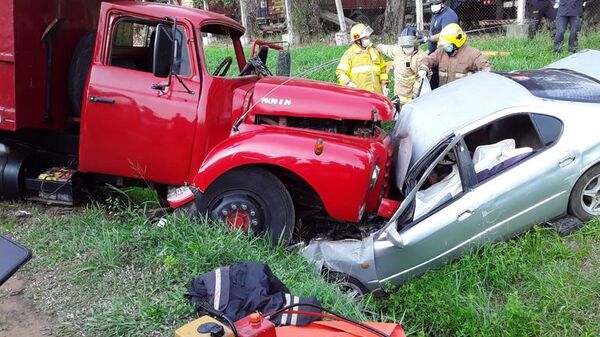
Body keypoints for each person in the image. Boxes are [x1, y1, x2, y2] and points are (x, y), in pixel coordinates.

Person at [418, 23, 492, 87]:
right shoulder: (441, 52)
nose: (445, 47)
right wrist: (423, 68)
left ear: (456, 42)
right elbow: (429, 59)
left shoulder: (472, 54)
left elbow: (486, 68)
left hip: (464, 95)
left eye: (447, 44)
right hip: (444, 94)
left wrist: (483, 75)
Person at [375, 28, 429, 105]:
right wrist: (378, 46)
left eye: (409, 46)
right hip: (397, 95)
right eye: (405, 46)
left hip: (411, 99)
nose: (407, 48)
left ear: (416, 43)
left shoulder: (420, 57)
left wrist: (415, 95)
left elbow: (421, 80)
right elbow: (388, 49)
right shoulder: (399, 51)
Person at [336, 24, 388, 94]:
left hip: (376, 94)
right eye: (365, 38)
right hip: (360, 95)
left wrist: (385, 85)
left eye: (368, 37)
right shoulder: (349, 54)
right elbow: (340, 72)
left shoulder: (375, 52)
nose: (368, 39)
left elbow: (383, 70)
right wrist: (348, 83)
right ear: (357, 40)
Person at [426, 0, 459, 89]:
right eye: (431, 4)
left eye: (435, 4)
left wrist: (428, 38)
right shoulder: (436, 13)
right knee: (433, 80)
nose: (433, 6)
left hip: (446, 53)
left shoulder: (449, 16)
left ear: (442, 3)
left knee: (443, 82)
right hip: (435, 54)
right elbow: (434, 30)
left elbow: (446, 34)